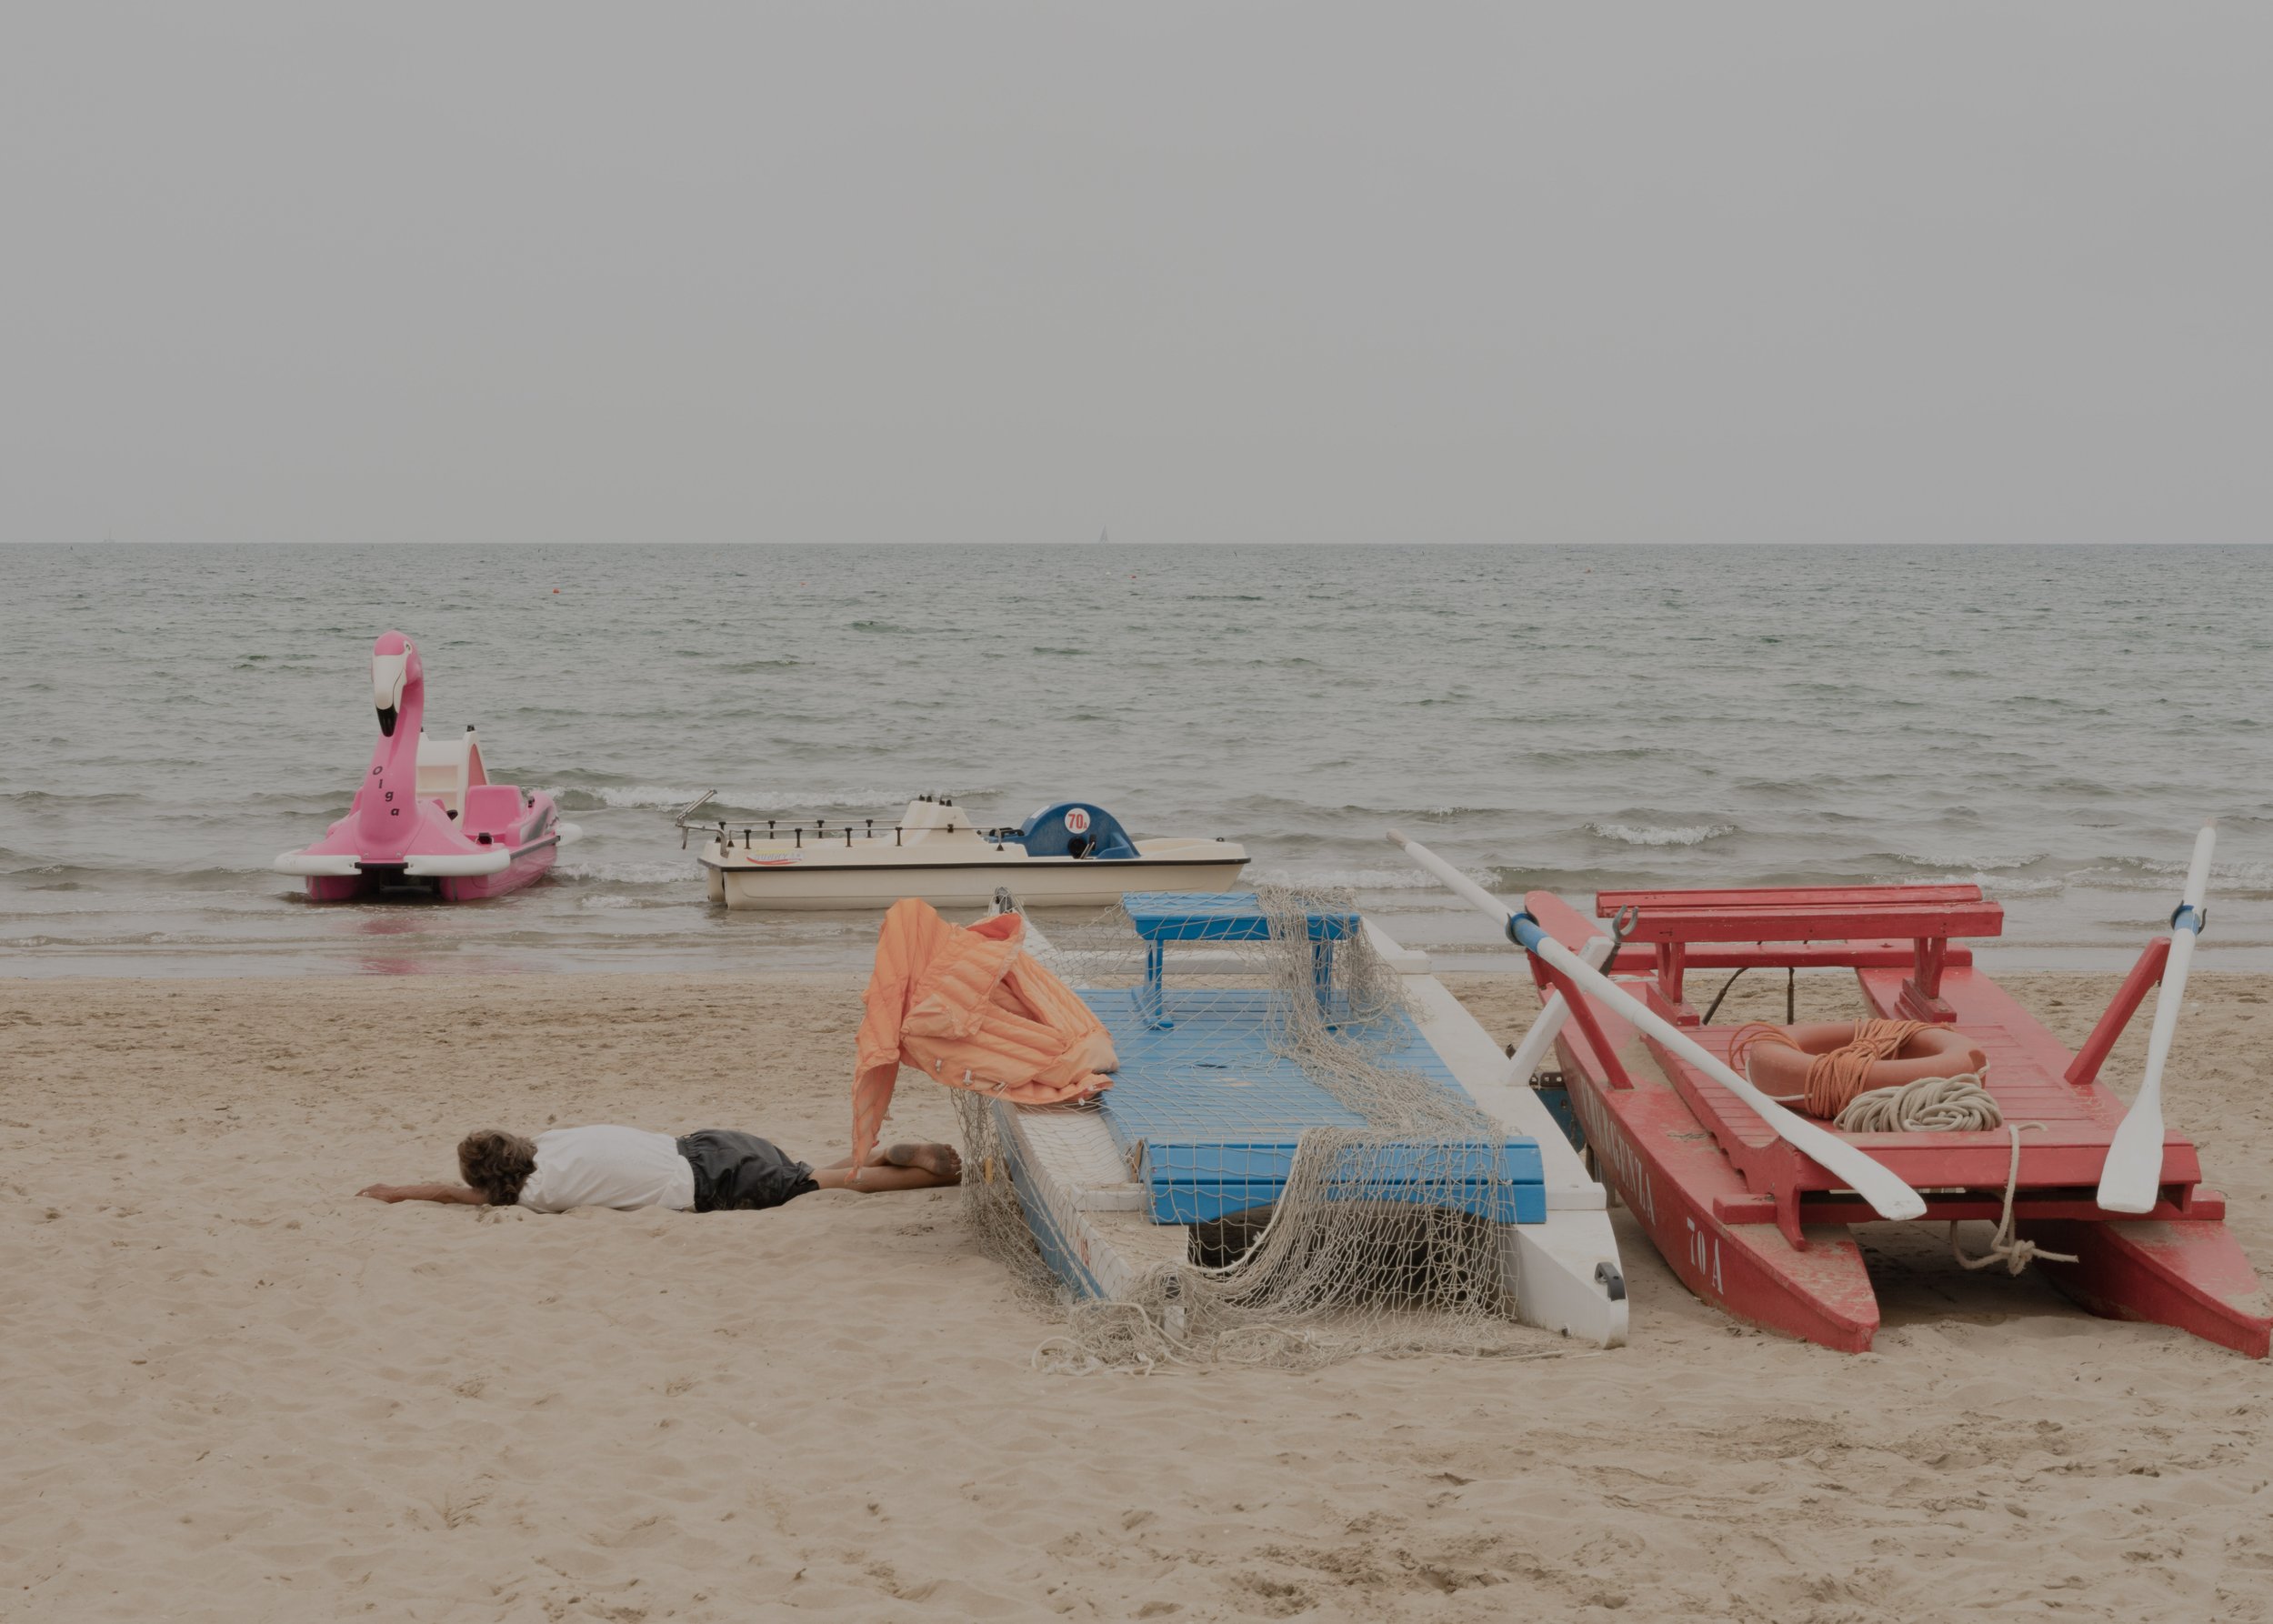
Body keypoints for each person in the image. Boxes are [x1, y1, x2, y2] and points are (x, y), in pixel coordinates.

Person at [357, 1124, 960, 1212]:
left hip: (708, 1183)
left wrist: (399, 1192)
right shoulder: (551, 1144)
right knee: (804, 1176)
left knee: (823, 1185)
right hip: (705, 1144)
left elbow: (454, 1195)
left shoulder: (535, 1193)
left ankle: (945, 1175)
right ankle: (878, 1153)